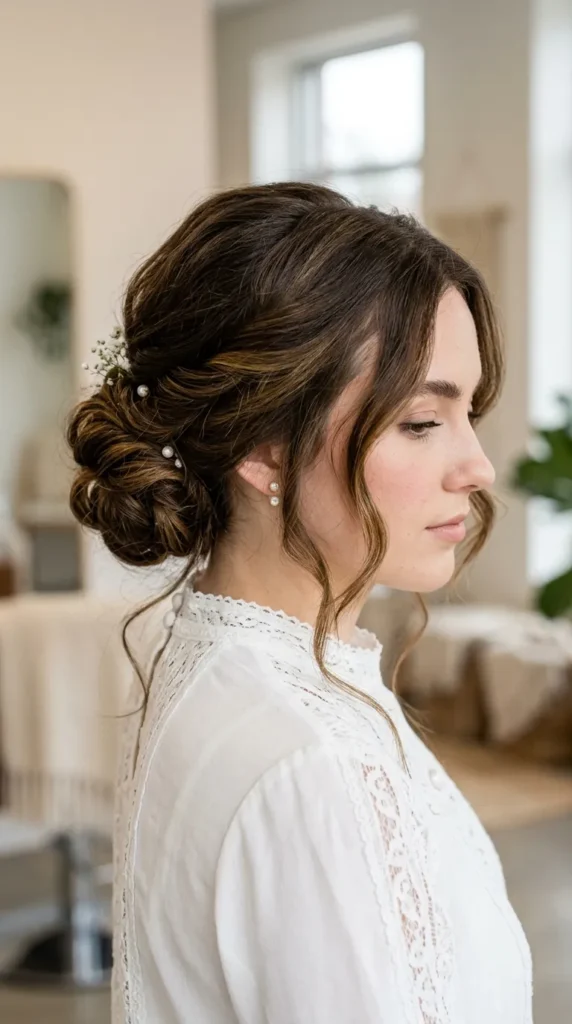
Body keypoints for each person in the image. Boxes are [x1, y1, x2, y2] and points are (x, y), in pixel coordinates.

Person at [67, 183, 533, 1023]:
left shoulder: (213, 662)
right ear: (262, 447)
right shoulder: (313, 765)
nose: (478, 466)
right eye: (422, 423)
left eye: (470, 412)